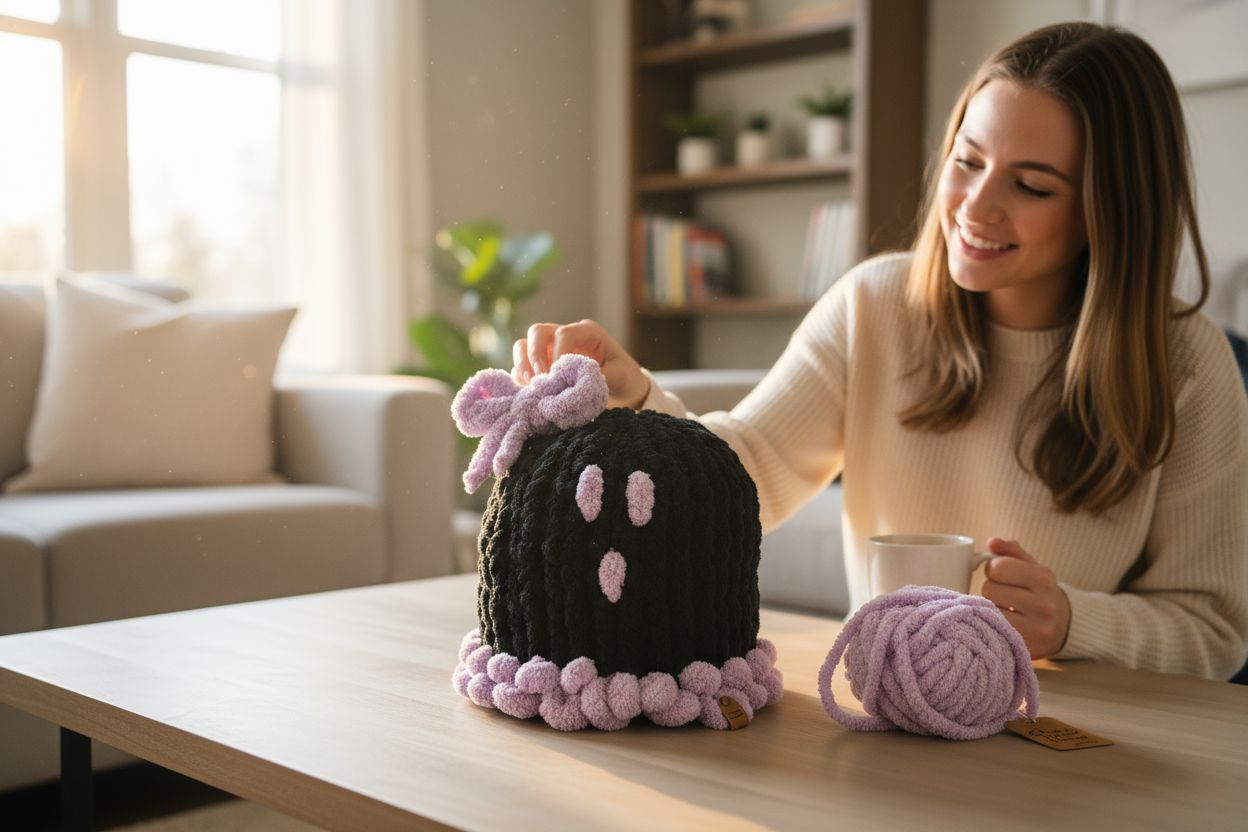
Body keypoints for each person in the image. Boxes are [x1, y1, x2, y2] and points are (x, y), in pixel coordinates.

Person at [510, 22, 1248, 680]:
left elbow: (1216, 631)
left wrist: (1075, 624)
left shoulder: (1189, 365)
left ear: (1110, 209)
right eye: (968, 160)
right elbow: (745, 477)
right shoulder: (876, 306)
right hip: (885, 719)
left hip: (1081, 741)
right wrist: (636, 396)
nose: (975, 206)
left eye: (1030, 185)